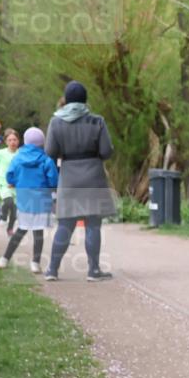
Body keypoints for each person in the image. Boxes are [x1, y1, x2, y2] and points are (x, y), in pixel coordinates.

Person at [43, 81, 117, 281]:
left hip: (68, 177)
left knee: (65, 225)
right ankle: (93, 270)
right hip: (93, 175)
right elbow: (106, 151)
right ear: (85, 99)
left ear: (65, 99)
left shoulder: (56, 122)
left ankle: (52, 270)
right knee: (93, 224)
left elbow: (50, 151)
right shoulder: (97, 121)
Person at [0, 128, 58, 272]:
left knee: (20, 230)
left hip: (24, 200)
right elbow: (53, 181)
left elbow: (9, 175)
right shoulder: (46, 160)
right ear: (42, 143)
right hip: (41, 201)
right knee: (38, 233)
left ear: (25, 141)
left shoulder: (17, 158)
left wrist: (17, 181)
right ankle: (35, 263)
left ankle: (4, 259)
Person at [0, 128, 21, 236]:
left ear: (18, 141)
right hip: (3, 183)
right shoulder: (1, 153)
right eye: (9, 140)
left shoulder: (21, 154)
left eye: (14, 140)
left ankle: (10, 229)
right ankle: (3, 217)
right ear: (6, 142)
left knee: (14, 211)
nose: (12, 142)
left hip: (16, 185)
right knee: (8, 201)